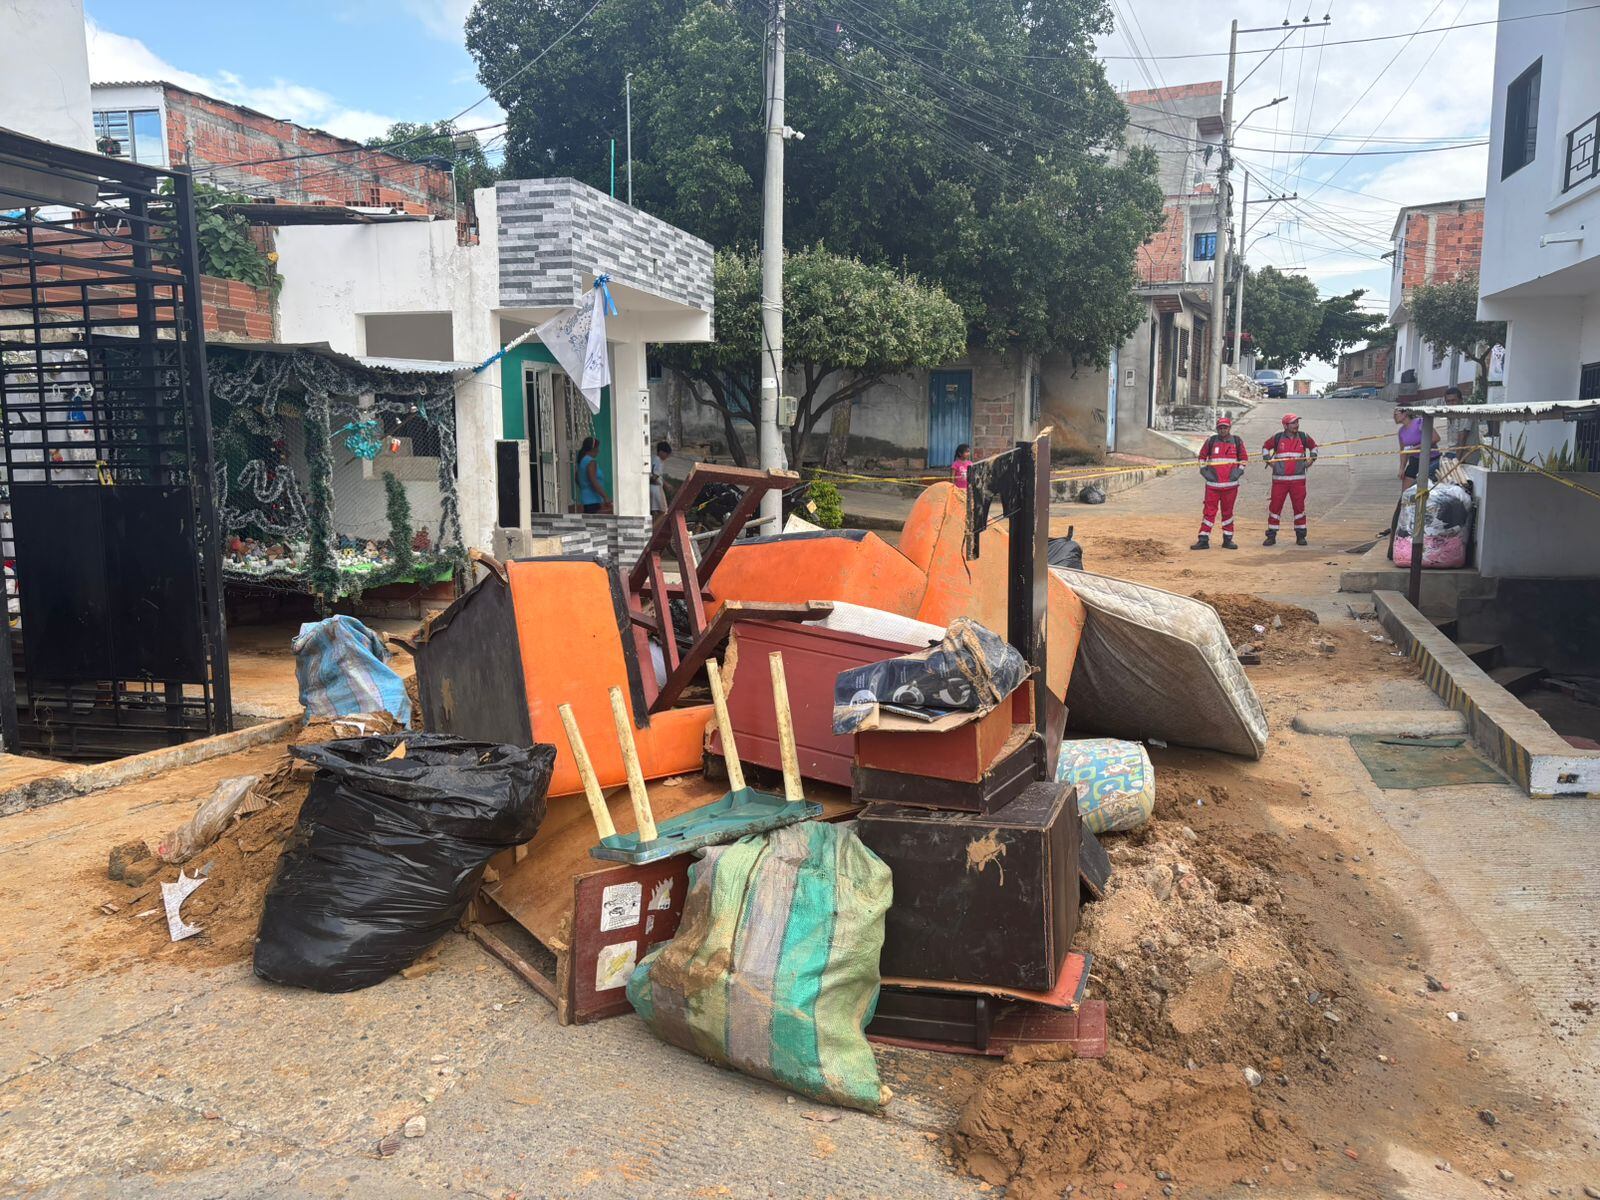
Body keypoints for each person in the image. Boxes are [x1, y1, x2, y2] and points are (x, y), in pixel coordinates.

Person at [1261, 413, 1318, 546]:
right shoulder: (1277, 438)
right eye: (1293, 423)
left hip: (1298, 481)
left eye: (1297, 422)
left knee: (1299, 508)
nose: (1296, 425)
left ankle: (1301, 536)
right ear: (1285, 425)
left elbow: (1314, 447)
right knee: (1275, 508)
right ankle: (1271, 536)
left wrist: (1312, 459)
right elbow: (1265, 447)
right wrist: (1269, 461)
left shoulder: (1303, 437)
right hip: (1279, 481)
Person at [1191, 415, 1246, 550]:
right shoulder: (1210, 441)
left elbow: (1244, 459)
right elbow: (1202, 457)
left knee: (1227, 513)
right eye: (1220, 428)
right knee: (1209, 512)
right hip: (1213, 486)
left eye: (1225, 428)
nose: (1222, 430)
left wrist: (1237, 473)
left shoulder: (1237, 441)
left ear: (1229, 428)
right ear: (1217, 428)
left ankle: (1228, 539)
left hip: (1230, 486)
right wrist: (1205, 473)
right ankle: (1203, 539)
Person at [1394, 405, 1441, 487]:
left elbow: (1436, 438)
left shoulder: (1420, 422)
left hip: (1431, 459)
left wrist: (1415, 448)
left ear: (1405, 413)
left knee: (1427, 486)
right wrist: (1401, 468)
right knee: (1406, 488)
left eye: (1396, 413)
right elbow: (1403, 451)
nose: (1394, 416)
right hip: (1415, 460)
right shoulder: (1401, 431)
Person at [576, 436, 609, 513]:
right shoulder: (591, 462)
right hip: (593, 501)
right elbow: (593, 480)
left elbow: (577, 477)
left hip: (586, 499)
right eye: (597, 448)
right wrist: (605, 497)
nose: (598, 451)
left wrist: (585, 487)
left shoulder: (582, 460)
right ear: (593, 449)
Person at [650, 440, 672, 516]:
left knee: (654, 510)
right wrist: (654, 481)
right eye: (666, 454)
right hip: (656, 489)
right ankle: (658, 526)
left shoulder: (654, 459)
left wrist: (665, 484)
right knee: (662, 511)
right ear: (661, 452)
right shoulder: (658, 462)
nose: (667, 456)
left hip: (654, 488)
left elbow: (658, 475)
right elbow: (655, 476)